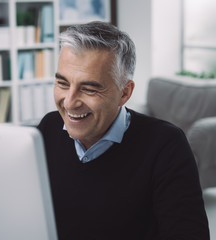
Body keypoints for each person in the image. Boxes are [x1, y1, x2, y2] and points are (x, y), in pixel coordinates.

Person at [37, 21, 210, 239]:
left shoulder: (166, 145)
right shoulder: (47, 129)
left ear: (124, 93)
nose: (70, 103)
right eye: (62, 84)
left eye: (89, 89)